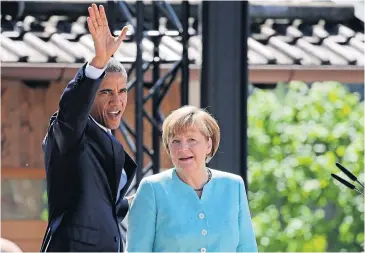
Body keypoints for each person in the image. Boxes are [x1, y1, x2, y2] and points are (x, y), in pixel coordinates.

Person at [40, 3, 137, 252]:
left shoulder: (106, 139)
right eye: (106, 92)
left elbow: (103, 207)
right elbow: (72, 111)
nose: (117, 101)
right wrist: (98, 63)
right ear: (91, 95)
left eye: (122, 91)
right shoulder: (70, 133)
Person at [126, 105, 258, 252]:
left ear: (209, 144)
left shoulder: (233, 186)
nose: (183, 148)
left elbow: (247, 248)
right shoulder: (151, 189)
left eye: (191, 139)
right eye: (175, 141)